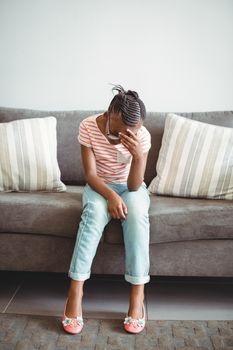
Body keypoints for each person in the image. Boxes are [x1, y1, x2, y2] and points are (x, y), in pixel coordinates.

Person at [62, 84, 151, 334]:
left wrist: (139, 157)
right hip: (99, 186)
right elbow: (90, 174)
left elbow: (134, 186)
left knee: (136, 214)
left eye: (131, 133)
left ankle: (137, 299)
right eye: (120, 132)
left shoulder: (142, 135)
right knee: (94, 215)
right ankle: (74, 294)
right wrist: (111, 195)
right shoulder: (88, 126)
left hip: (130, 187)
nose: (125, 138)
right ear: (110, 114)